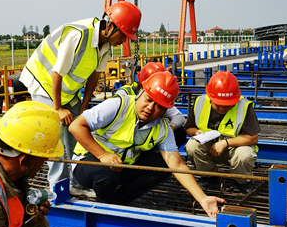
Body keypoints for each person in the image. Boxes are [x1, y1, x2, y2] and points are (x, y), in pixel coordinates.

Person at [19, 1, 142, 198]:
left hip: (68, 91)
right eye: (124, 36)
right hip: (43, 82)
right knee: (57, 135)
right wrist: (58, 109)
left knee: (77, 133)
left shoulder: (104, 44)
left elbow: (94, 75)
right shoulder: (78, 35)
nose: (124, 42)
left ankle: (76, 183)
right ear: (110, 27)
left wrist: (84, 106)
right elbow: (57, 73)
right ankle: (57, 187)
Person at [69, 72, 225, 215]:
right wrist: (102, 155)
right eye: (148, 99)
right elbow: (76, 126)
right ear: (141, 92)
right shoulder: (119, 105)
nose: (150, 108)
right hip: (88, 162)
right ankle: (103, 204)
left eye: (159, 106)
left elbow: (177, 164)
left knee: (162, 166)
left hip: (121, 166)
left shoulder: (162, 128)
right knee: (106, 176)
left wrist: (202, 198)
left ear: (166, 109)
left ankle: (119, 200)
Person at [184, 71, 260, 194]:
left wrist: (225, 143)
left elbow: (252, 138)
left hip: (234, 149)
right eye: (218, 105)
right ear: (210, 98)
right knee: (192, 146)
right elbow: (189, 128)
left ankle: (241, 181)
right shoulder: (200, 102)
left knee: (244, 154)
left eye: (228, 105)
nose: (222, 108)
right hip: (208, 147)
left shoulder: (244, 106)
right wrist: (196, 132)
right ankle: (209, 177)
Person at [116, 61, 187, 148]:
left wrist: (171, 127)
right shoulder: (123, 95)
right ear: (141, 86)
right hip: (124, 136)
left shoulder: (159, 100)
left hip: (145, 138)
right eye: (148, 99)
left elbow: (179, 116)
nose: (150, 107)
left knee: (180, 132)